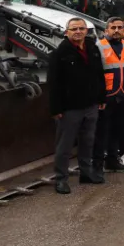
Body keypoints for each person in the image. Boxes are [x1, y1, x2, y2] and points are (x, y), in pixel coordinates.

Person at [49, 17, 106, 193]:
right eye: (74, 29)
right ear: (67, 32)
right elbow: (54, 83)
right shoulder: (60, 54)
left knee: (87, 141)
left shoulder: (92, 48)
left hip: (91, 106)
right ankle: (61, 179)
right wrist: (56, 108)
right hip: (70, 108)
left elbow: (99, 75)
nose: (78, 32)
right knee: (64, 146)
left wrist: (101, 98)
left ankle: (86, 173)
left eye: (81, 28)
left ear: (86, 31)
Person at [93, 17, 124, 174]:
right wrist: (99, 97)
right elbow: (95, 75)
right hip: (106, 96)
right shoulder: (99, 46)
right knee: (101, 131)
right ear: (106, 30)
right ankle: (98, 164)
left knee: (117, 129)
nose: (117, 30)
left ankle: (112, 160)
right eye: (113, 27)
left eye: (120, 27)